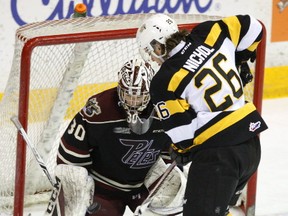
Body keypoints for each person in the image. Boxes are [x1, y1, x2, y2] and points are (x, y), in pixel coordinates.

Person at [136, 14, 268, 216]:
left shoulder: (164, 80)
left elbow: (184, 136)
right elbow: (254, 26)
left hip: (219, 157)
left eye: (151, 53)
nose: (153, 59)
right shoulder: (209, 32)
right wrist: (240, 61)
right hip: (250, 146)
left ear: (158, 47)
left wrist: (179, 150)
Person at [56, 58, 184, 216]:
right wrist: (73, 188)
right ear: (119, 89)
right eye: (128, 95)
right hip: (103, 188)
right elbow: (70, 154)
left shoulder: (165, 110)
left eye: (140, 96)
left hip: (143, 185)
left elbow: (173, 150)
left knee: (176, 186)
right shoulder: (99, 109)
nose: (133, 102)